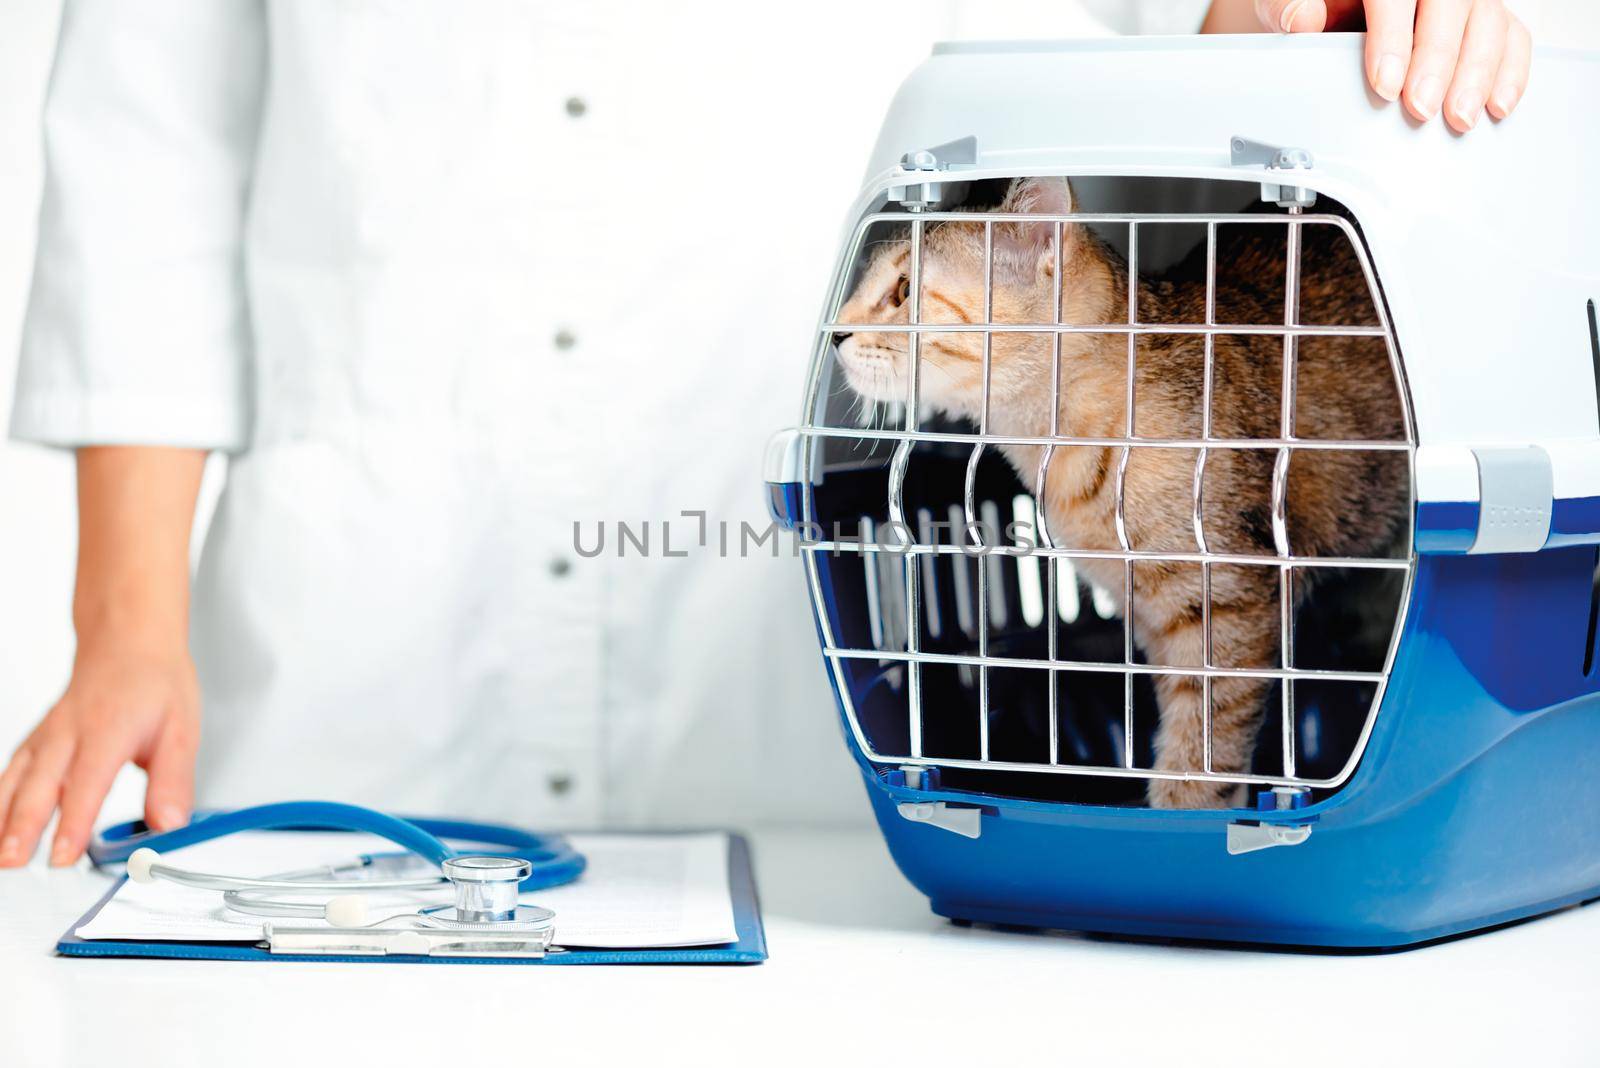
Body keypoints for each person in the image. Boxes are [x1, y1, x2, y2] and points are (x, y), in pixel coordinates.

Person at [0, 0, 1534, 868]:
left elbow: (1205, 61)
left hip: (844, 724)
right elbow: (152, 150)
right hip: (361, 684)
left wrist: (1298, 31)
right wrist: (126, 625)